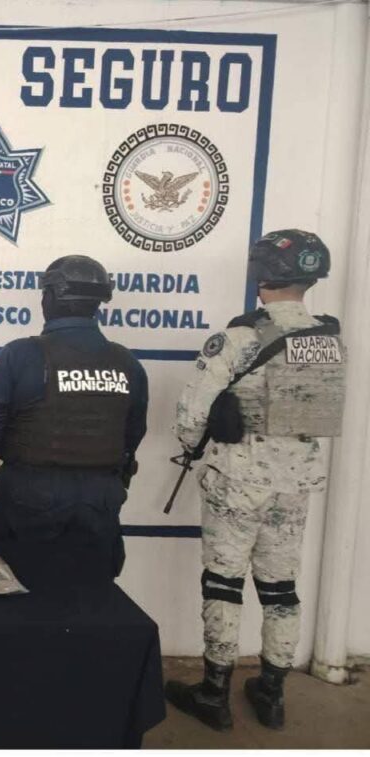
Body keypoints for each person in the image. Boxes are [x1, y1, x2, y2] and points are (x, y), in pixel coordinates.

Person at [165, 229, 345, 732]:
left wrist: (192, 445)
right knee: (281, 587)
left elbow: (191, 415)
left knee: (223, 582)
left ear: (261, 275)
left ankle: (213, 693)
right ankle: (271, 694)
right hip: (296, 484)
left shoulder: (240, 338)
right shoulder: (329, 339)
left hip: (238, 480)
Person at [0, 254, 148, 576]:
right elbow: (133, 433)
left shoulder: (20, 354)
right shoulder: (127, 362)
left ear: (50, 297)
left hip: (31, 493)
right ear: (98, 303)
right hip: (100, 496)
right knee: (92, 593)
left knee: (19, 587)